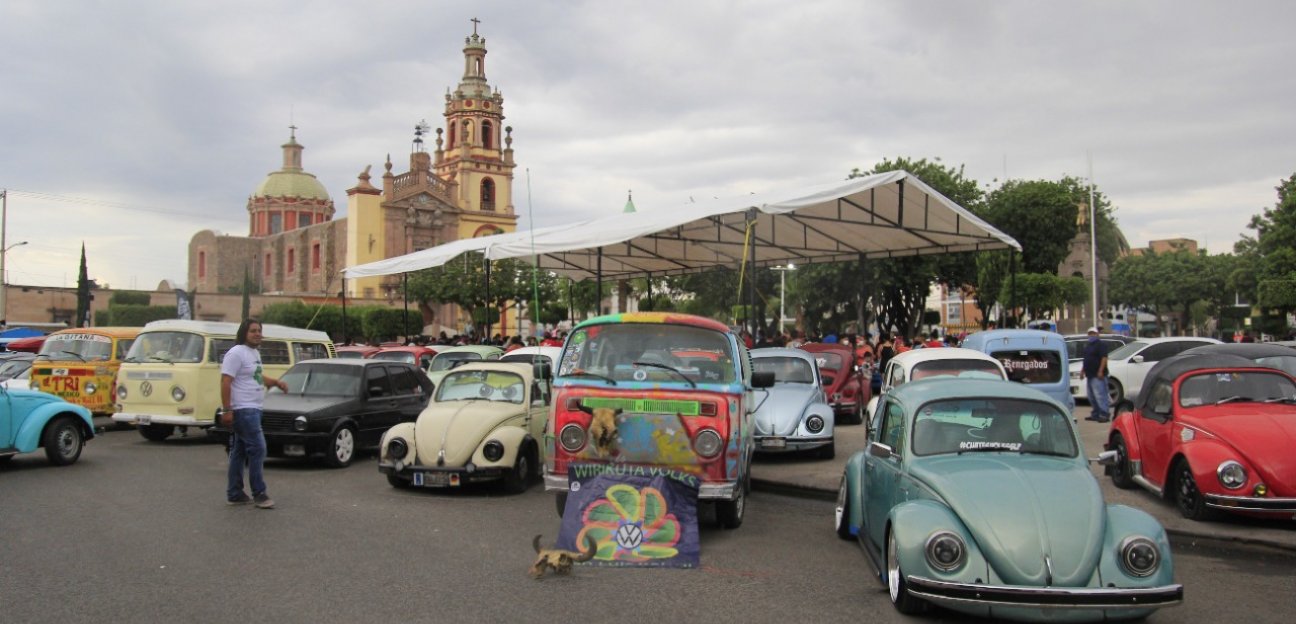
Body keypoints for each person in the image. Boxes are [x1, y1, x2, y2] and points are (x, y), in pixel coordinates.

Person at [220, 318, 288, 509]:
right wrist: (227, 410)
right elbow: (226, 381)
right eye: (253, 331)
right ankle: (259, 493)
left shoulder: (254, 353)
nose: (257, 334)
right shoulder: (236, 353)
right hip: (244, 409)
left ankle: (234, 493)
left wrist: (275, 382)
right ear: (244, 333)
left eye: (259, 330)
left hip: (254, 409)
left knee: (239, 452)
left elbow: (255, 376)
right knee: (258, 448)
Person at [1080, 326, 1110, 422]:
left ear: (1097, 334)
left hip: (1098, 375)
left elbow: (1104, 358)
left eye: (1093, 333)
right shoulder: (1088, 346)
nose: (1091, 335)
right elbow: (1086, 360)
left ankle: (1104, 414)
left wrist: (1100, 371)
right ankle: (1096, 414)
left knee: (1100, 395)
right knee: (1091, 396)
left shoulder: (1101, 345)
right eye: (1090, 333)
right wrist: (1082, 371)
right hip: (1089, 375)